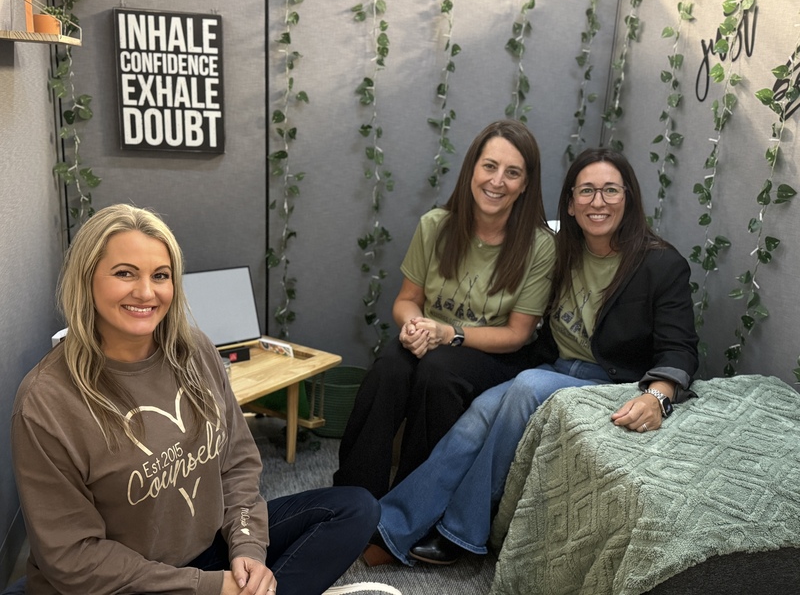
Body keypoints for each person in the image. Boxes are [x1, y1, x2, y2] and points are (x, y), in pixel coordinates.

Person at [11, 204, 379, 595]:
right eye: (125, 273)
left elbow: (237, 460)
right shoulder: (45, 401)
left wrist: (248, 546)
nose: (146, 292)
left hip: (207, 552)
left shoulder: (196, 350)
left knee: (356, 510)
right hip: (127, 582)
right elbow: (73, 557)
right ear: (86, 280)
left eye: (160, 275)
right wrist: (207, 586)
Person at [366, 147, 699, 566]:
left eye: (611, 190)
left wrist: (658, 395)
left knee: (527, 385)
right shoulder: (562, 252)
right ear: (571, 204)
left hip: (610, 380)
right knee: (481, 413)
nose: (598, 202)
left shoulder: (661, 264)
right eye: (586, 191)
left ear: (628, 198)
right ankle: (390, 525)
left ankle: (461, 531)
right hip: (553, 366)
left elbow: (680, 347)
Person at [333, 120, 557, 499]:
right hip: (433, 341)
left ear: (525, 184)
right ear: (472, 169)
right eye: (489, 166)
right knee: (388, 369)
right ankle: (352, 499)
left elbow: (517, 334)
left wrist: (449, 334)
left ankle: (409, 505)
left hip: (495, 355)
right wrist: (414, 326)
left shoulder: (540, 246)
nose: (497, 181)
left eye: (512, 172)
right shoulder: (435, 225)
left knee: (438, 373)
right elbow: (406, 301)